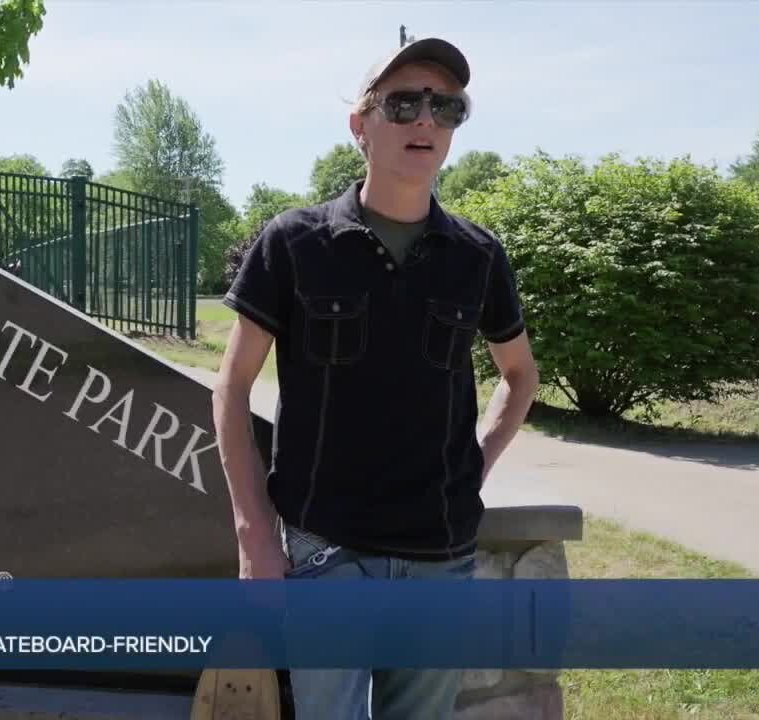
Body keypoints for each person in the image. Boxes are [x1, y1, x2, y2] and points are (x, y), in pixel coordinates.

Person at [211, 37, 540, 719]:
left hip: (438, 555)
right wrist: (254, 537)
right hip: (326, 550)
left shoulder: (478, 257)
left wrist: (472, 466)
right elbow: (233, 386)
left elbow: (519, 376)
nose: (426, 119)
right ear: (360, 125)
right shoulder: (294, 244)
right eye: (404, 102)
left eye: (446, 106)